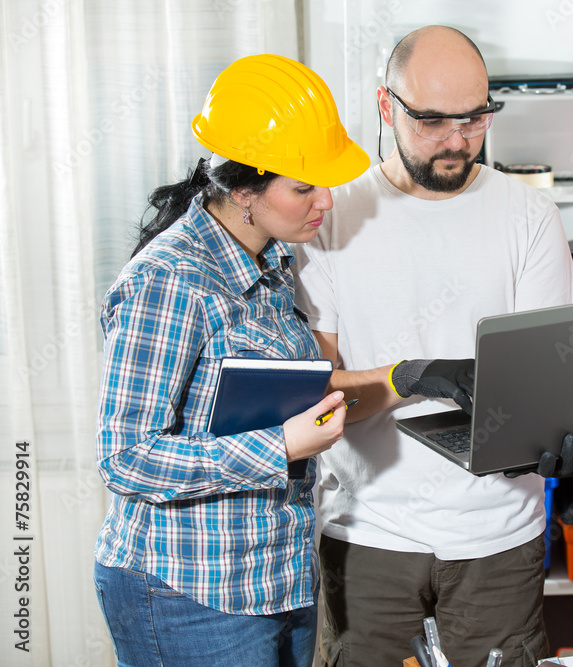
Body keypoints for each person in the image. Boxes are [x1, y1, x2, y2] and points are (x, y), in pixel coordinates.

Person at [291, 25, 573, 667]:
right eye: (432, 121)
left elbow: (555, 376)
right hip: (366, 535)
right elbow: (316, 404)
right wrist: (410, 376)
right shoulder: (329, 218)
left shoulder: (529, 216)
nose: (457, 142)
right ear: (386, 106)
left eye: (474, 118)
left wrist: (562, 436)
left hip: (499, 538)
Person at [93, 54, 369, 667]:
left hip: (274, 577)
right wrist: (281, 447)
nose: (325, 200)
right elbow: (125, 457)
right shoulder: (170, 281)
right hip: (189, 591)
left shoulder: (270, 262)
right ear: (244, 190)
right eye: (303, 187)